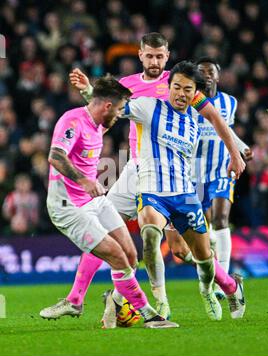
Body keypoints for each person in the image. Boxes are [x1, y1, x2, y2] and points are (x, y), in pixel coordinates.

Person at [39, 74, 179, 329]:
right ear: (106, 106)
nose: (119, 116)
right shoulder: (72, 121)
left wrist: (88, 91)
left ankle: (75, 301)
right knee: (116, 255)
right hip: (67, 206)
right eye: (118, 110)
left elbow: (101, 108)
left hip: (93, 201)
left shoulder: (97, 122)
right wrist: (84, 180)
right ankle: (149, 315)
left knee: (130, 254)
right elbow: (55, 156)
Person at [119, 61, 246, 321]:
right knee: (150, 236)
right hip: (152, 190)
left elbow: (218, 120)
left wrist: (236, 153)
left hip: (185, 192)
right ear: (168, 87)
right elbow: (117, 107)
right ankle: (161, 303)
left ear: (195, 93)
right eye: (176, 87)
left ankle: (210, 289)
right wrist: (90, 93)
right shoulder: (149, 106)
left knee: (196, 255)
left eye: (187, 89)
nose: (180, 93)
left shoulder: (197, 114)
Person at [165, 57, 253, 299]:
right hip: (192, 174)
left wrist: (241, 148)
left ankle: (223, 279)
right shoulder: (190, 100)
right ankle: (215, 271)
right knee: (200, 230)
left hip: (221, 170)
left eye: (210, 71)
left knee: (222, 218)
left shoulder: (229, 102)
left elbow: (227, 129)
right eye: (201, 71)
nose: (206, 75)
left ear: (217, 75)